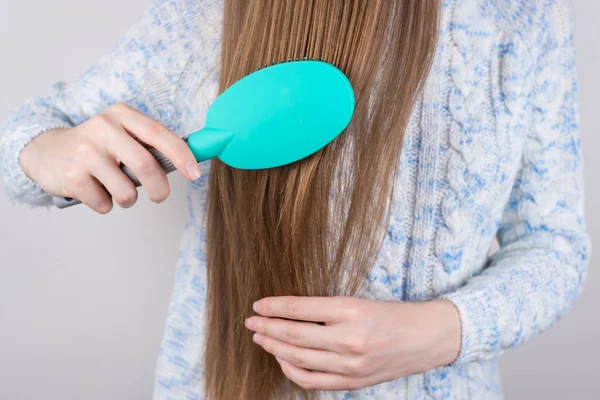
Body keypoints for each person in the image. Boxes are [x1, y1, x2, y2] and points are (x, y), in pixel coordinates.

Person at [0, 0, 590, 399]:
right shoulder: (216, 12)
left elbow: (554, 243)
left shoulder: (524, 15)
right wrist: (45, 151)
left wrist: (442, 332)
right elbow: (28, 139)